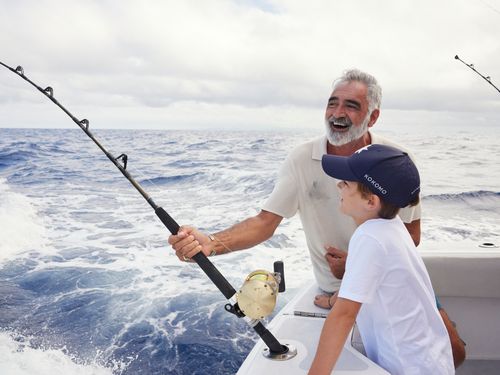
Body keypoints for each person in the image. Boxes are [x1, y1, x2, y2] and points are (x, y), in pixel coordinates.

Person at [168, 69, 465, 367]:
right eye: (332, 102)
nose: (337, 112)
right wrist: (212, 244)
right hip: (337, 291)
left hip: (389, 285)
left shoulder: (397, 161)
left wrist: (355, 263)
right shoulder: (302, 158)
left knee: (455, 351)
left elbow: (411, 235)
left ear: (372, 117)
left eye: (351, 105)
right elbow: (265, 222)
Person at [308, 144, 454, 374]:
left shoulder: (370, 238)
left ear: (371, 202)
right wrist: (330, 301)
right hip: (429, 360)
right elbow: (357, 282)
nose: (339, 185)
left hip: (408, 367)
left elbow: (344, 316)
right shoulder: (391, 227)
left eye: (346, 183)